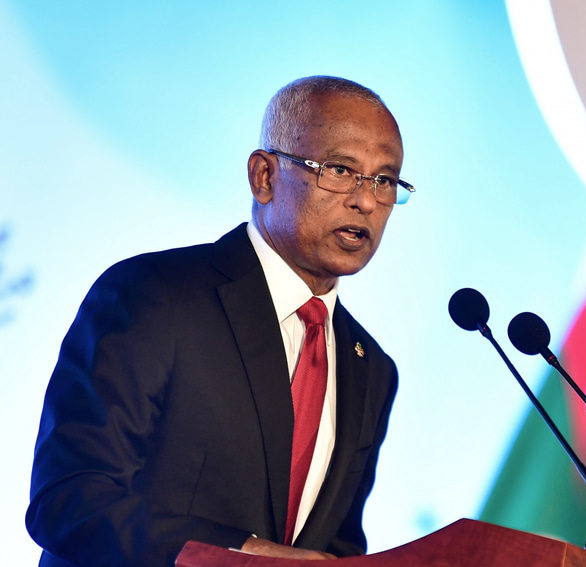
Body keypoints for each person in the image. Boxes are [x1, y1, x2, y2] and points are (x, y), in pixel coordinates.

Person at [26, 76, 412, 566]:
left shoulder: (372, 369)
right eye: (340, 170)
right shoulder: (157, 293)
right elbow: (69, 499)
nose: (366, 201)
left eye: (385, 180)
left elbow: (334, 549)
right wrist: (246, 557)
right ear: (264, 177)